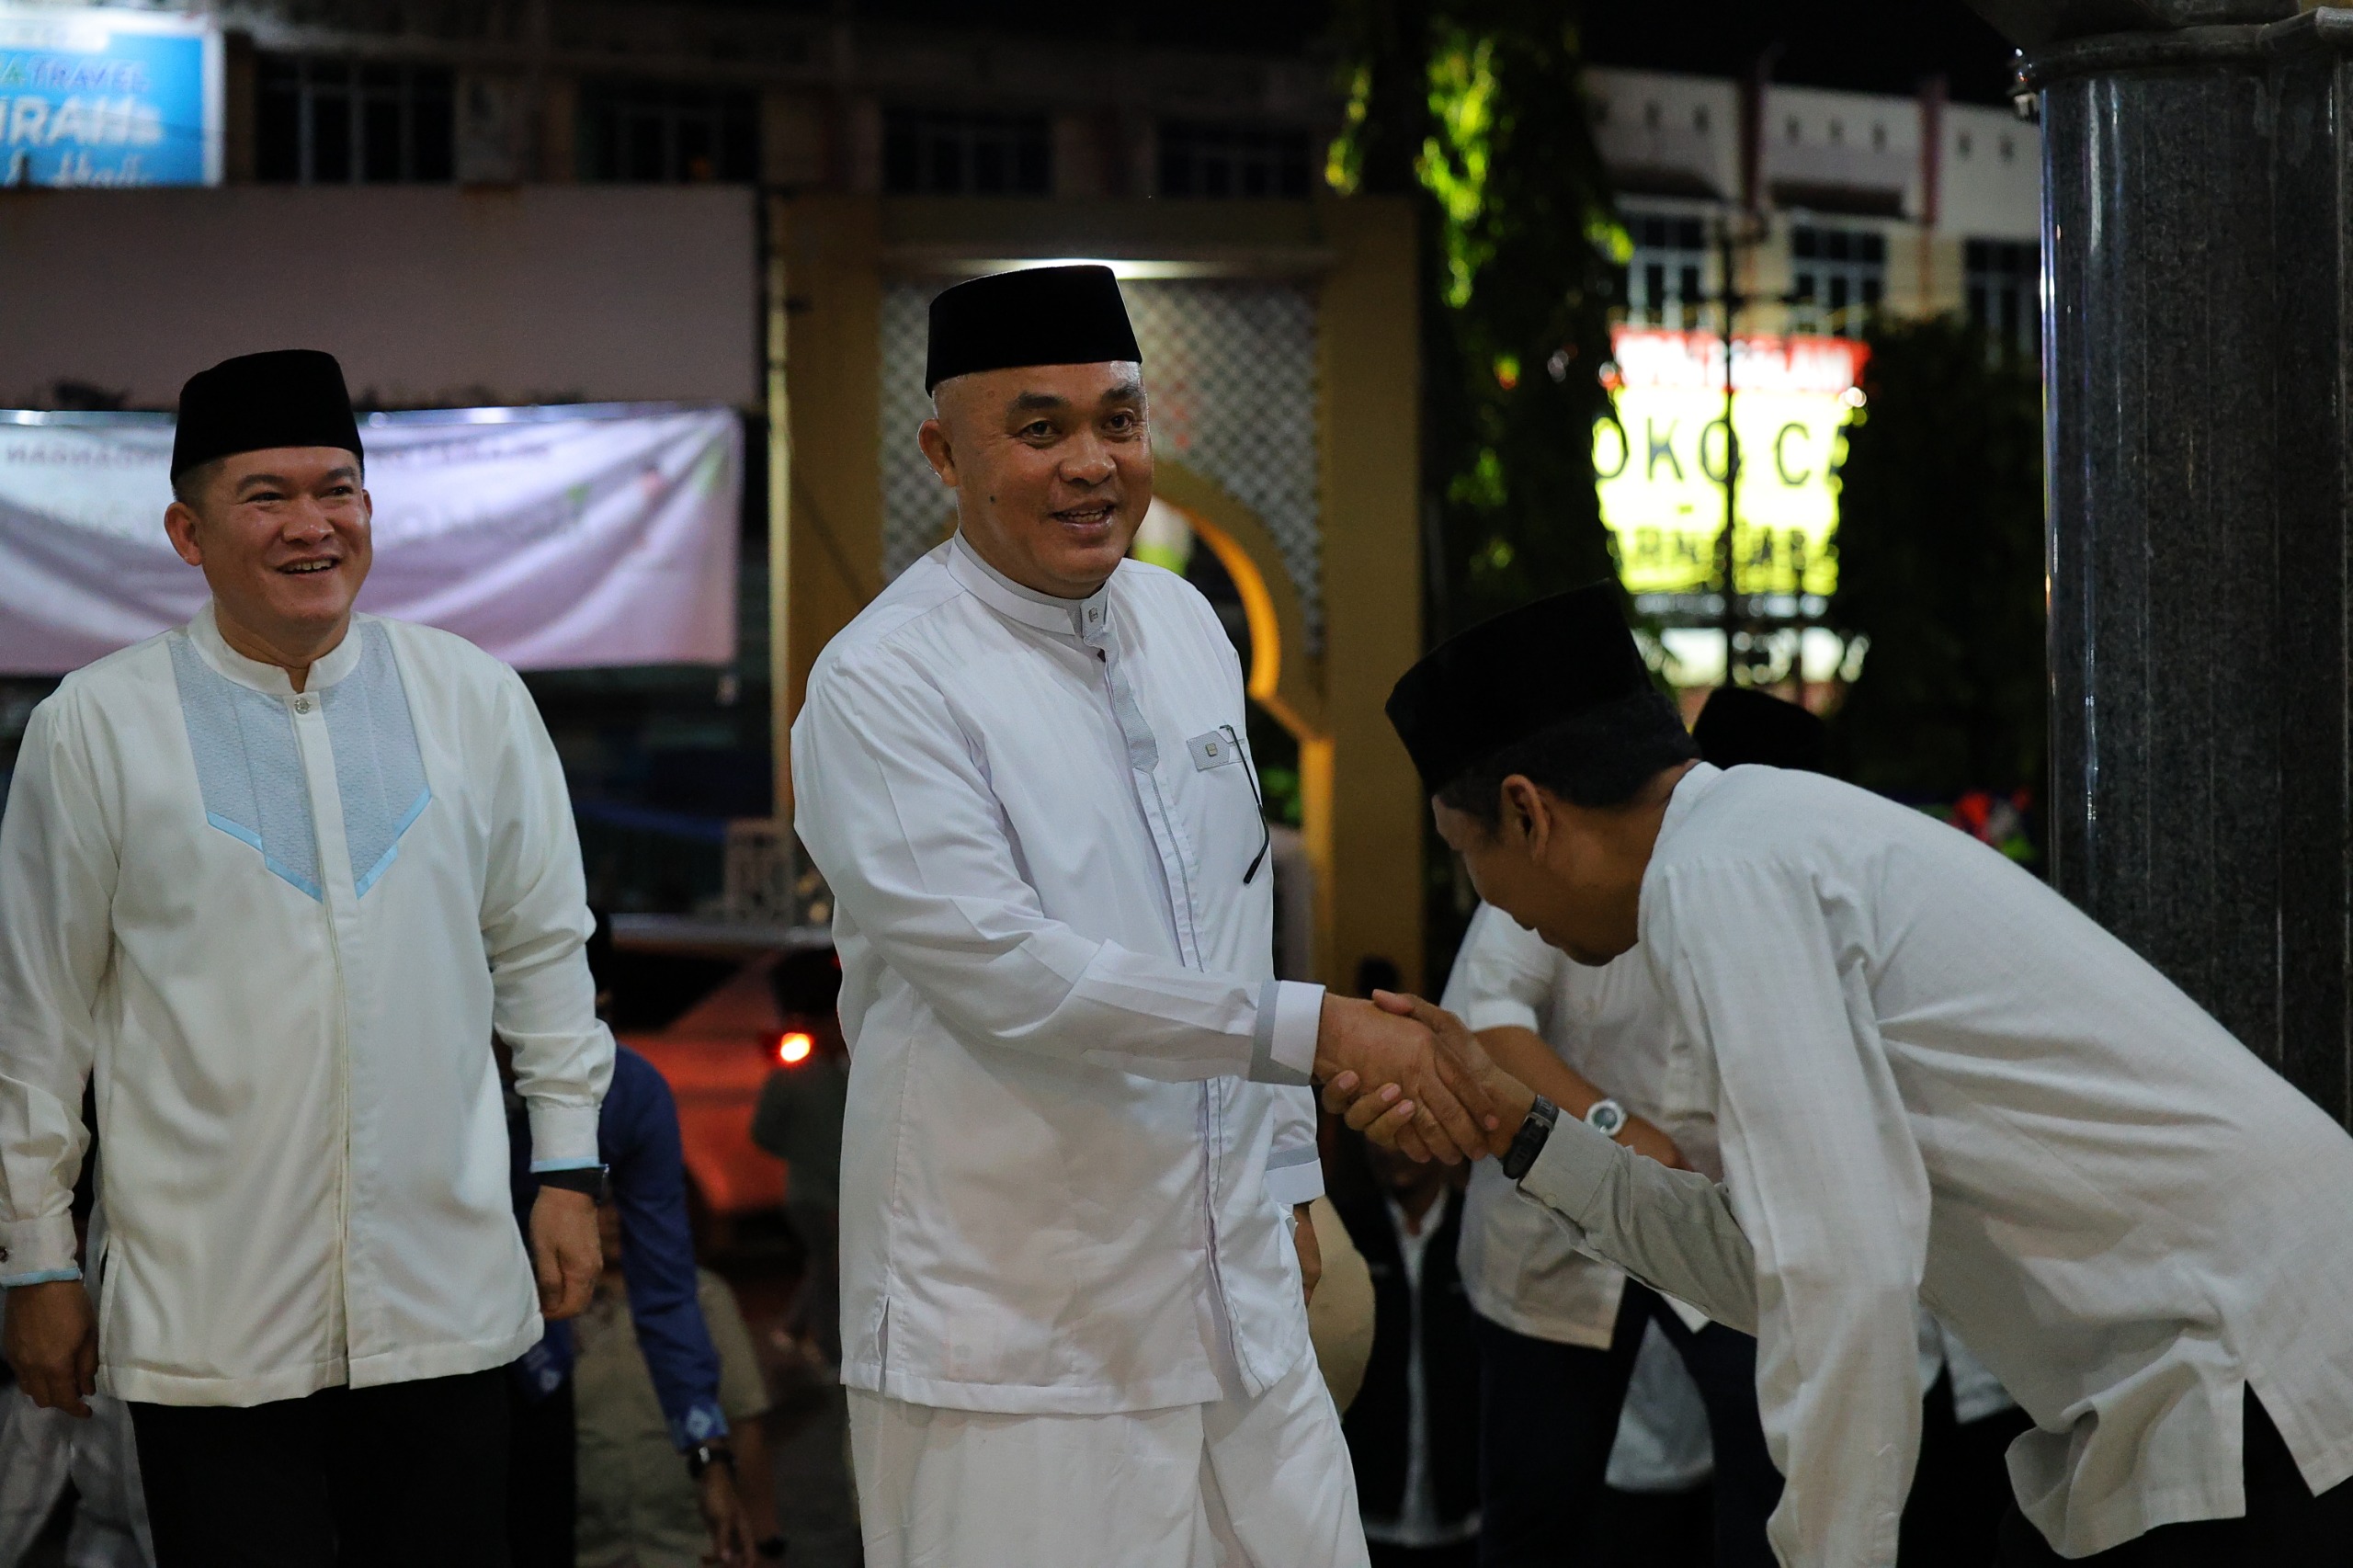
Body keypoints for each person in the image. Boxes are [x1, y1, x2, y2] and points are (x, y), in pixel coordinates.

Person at [1330, 581, 2353, 1564]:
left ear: (1527, 811)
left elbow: (1841, 1277)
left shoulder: (1721, 874)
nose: (1491, 904)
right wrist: (1525, 1131)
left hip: (2255, 1369)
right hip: (2225, 1361)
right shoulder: (1756, 838)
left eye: (1467, 851)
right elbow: (1770, 1263)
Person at [791, 265, 1491, 1568]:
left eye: (1118, 419)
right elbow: (1013, 976)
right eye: (1040, 428)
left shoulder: (1182, 623)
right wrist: (1319, 1033)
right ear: (945, 451)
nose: (1091, 464)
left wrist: (1286, 1169)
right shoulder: (883, 684)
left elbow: (1237, 914)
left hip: (1237, 1294)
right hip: (1020, 1333)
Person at [0, 350, 613, 1564]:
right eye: (265, 495)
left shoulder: (471, 699)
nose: (311, 524)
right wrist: (35, 1257)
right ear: (188, 529)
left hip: (444, 1296)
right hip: (210, 1316)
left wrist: (569, 1167)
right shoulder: (99, 725)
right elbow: (40, 1017)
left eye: (337, 488)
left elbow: (544, 949)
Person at [1441, 897, 1780, 1568]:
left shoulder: (1756, 867)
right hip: (1553, 1221)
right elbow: (1488, 1022)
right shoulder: (1562, 823)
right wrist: (1617, 1130)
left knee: (1775, 1469)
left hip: (1718, 1219)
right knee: (1539, 1504)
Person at [506, 1032, 768, 1568]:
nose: (606, 1216)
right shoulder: (450, 1077)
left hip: (663, 1536)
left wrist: (709, 1461)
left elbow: (668, 1293)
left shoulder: (627, 1089)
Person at [573, 1197, 779, 1568]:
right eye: (600, 1203)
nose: (614, 1218)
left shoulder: (702, 1296)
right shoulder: (551, 1306)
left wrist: (766, 1544)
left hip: (693, 1549)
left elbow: (746, 1426)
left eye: (630, 1198)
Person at [1330, 1132, 1480, 1568]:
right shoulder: (1345, 1235)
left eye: (1407, 1133)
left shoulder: (1474, 1233)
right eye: (1377, 1137)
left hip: (1465, 1516)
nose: (1390, 1148)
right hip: (1366, 1514)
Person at [748, 946, 850, 1370]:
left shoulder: (845, 1068)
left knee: (825, 1266)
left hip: (833, 1192)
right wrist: (806, 1158)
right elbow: (763, 1132)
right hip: (815, 1195)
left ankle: (793, 1329)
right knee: (829, 1271)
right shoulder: (798, 1074)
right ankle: (828, 1353)